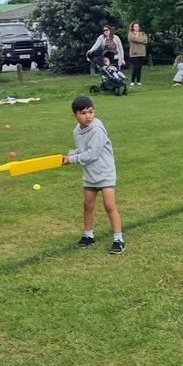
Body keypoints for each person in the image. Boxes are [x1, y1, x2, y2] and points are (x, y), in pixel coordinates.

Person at [63, 96, 124, 255]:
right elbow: (82, 150)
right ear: (74, 116)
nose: (88, 116)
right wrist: (69, 155)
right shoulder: (77, 130)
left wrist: (72, 160)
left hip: (105, 173)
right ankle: (88, 235)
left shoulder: (97, 130)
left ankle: (118, 239)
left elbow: (92, 154)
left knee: (109, 206)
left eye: (90, 112)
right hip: (90, 173)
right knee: (88, 205)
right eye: (83, 113)